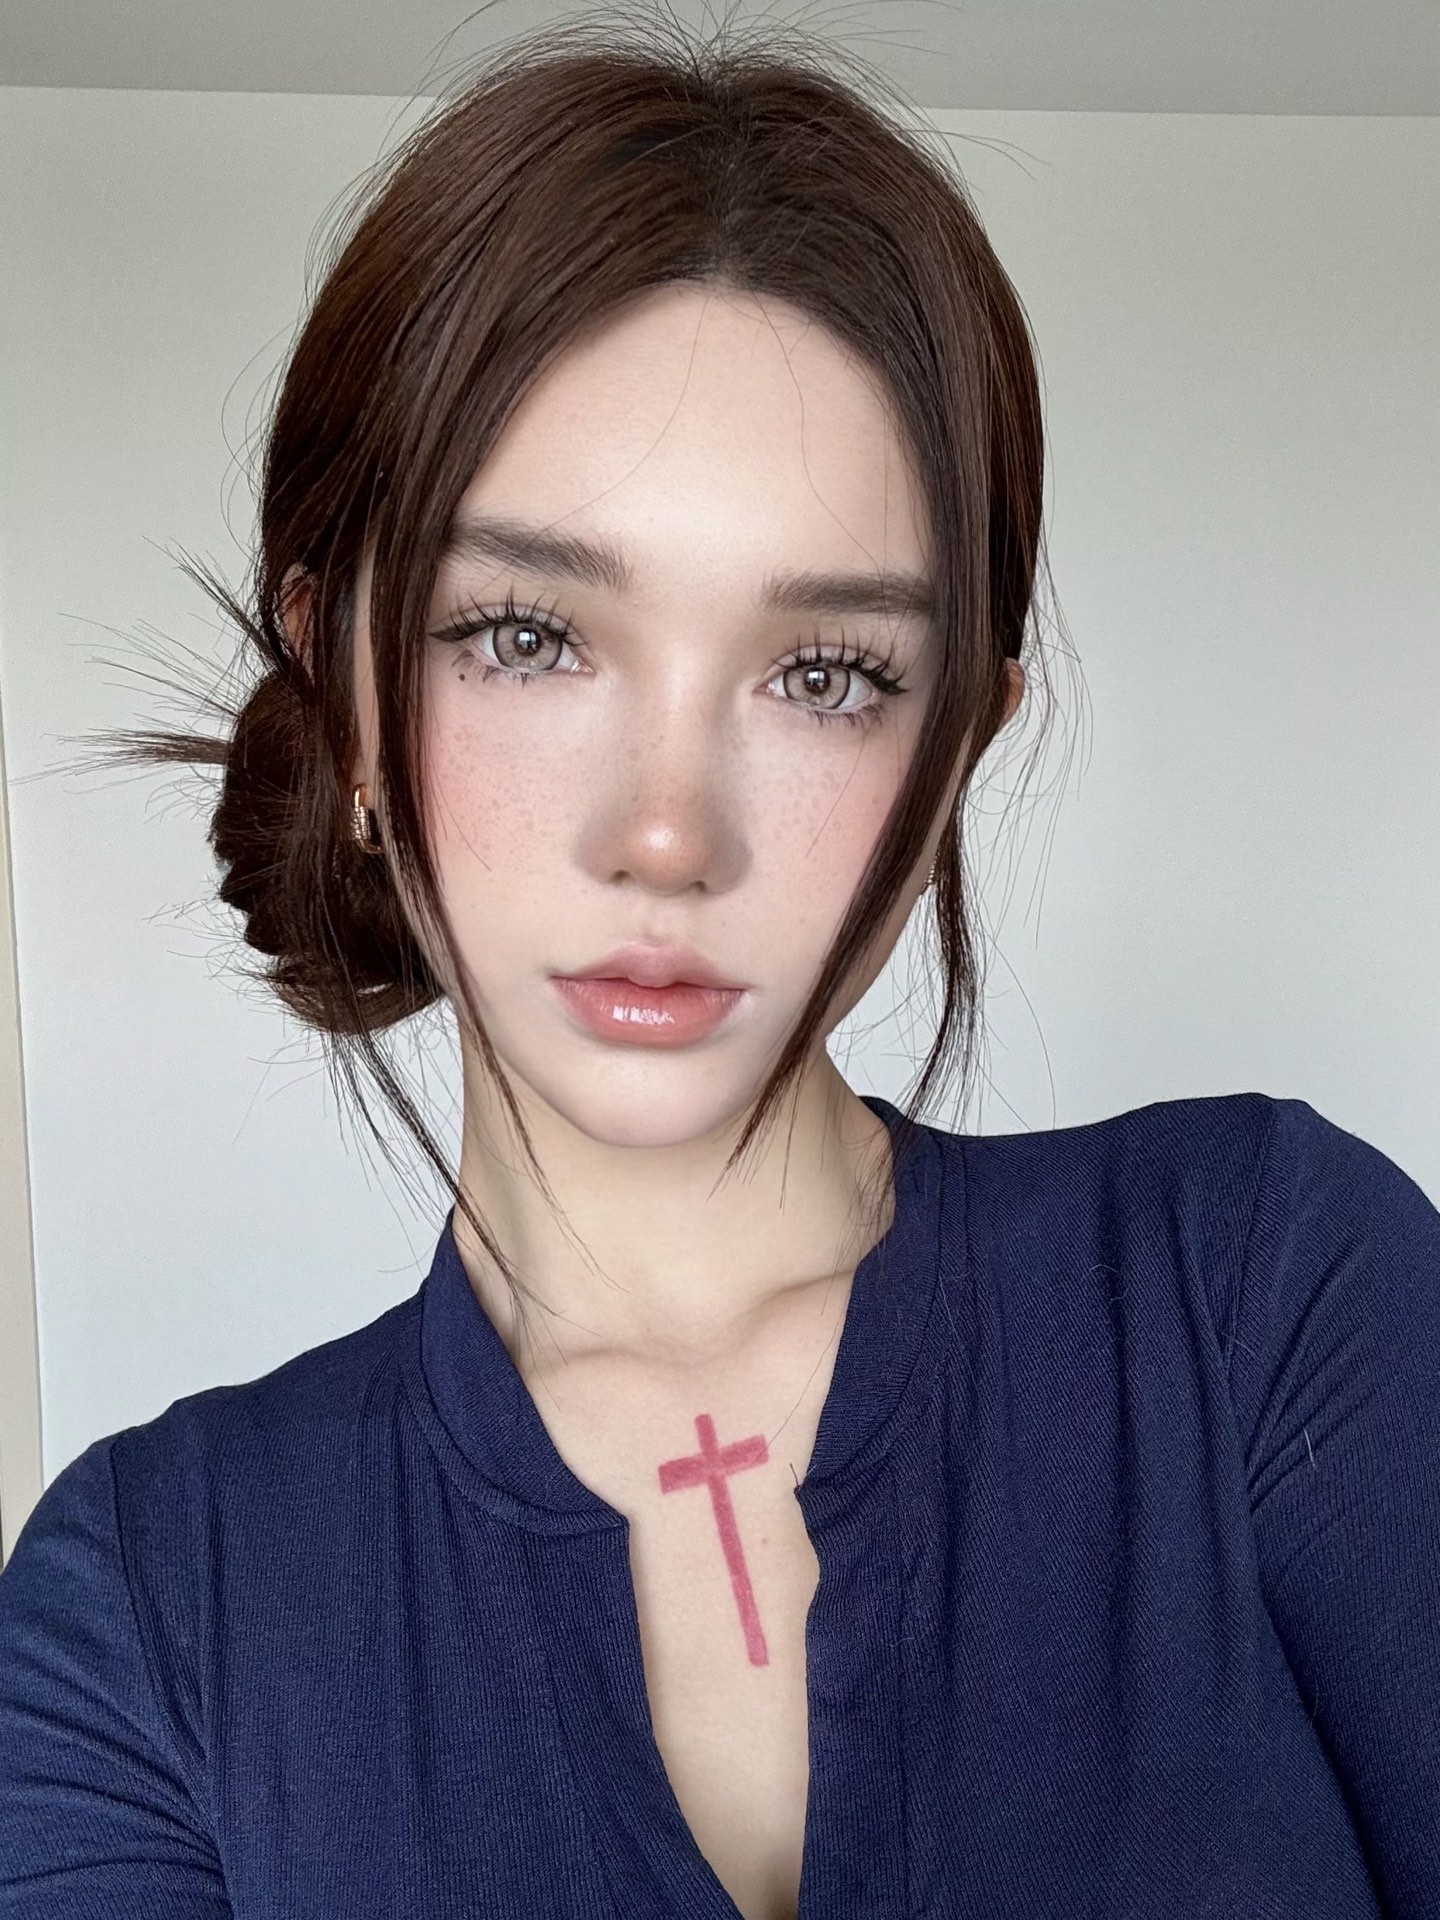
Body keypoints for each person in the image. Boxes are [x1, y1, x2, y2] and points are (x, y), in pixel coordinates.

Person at [1, 13, 1436, 1920]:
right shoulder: (141, 1610)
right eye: (527, 636)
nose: (668, 833)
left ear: (957, 748)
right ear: (345, 694)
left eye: (824, 675)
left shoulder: (1263, 1289)